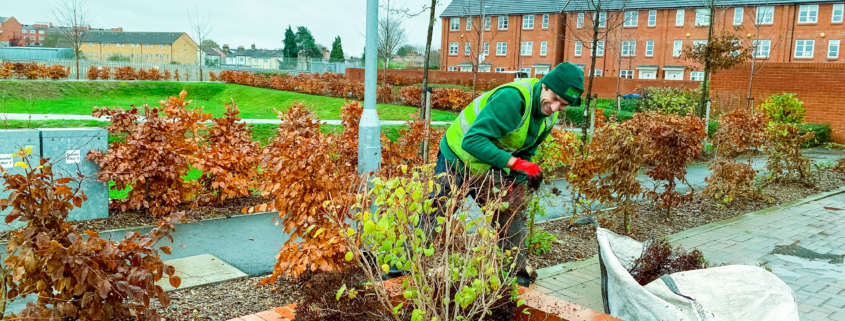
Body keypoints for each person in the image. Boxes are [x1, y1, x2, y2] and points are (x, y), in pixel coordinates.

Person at [431, 62, 584, 287]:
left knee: (511, 219)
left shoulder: (548, 117)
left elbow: (526, 152)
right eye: (553, 98)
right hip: (456, 159)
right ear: (544, 85)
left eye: (563, 105)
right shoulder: (514, 98)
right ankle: (396, 273)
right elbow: (472, 141)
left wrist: (520, 185)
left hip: (489, 165)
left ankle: (515, 283)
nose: (554, 107)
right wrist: (515, 164)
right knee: (434, 214)